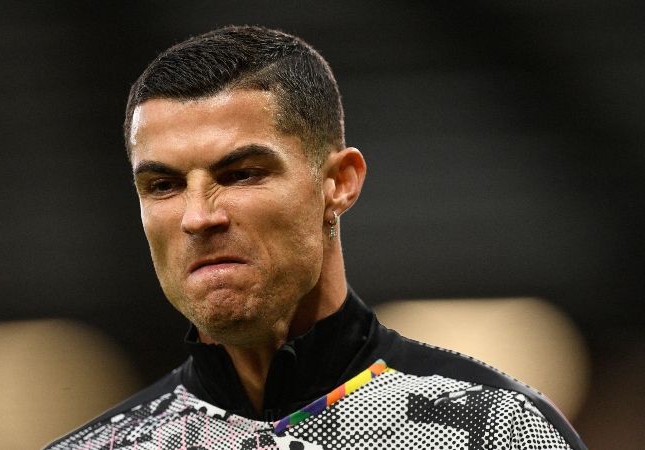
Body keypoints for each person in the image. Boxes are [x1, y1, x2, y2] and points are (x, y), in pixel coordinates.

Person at [44, 25, 587, 450]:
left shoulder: (494, 431)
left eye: (242, 174)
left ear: (338, 183)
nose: (197, 217)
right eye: (163, 185)